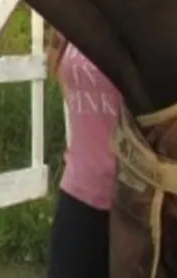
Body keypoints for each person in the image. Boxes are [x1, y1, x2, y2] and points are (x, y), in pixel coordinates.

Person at [45, 29, 123, 278]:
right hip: (78, 193)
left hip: (133, 203)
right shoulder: (73, 13)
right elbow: (58, 61)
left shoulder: (141, 14)